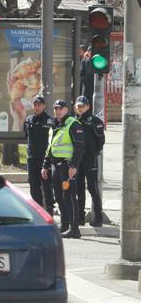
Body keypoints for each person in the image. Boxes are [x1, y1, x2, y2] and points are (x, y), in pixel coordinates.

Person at [42, 99, 86, 239]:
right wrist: (45, 166)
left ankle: (75, 228)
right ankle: (65, 224)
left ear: (67, 109)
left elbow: (80, 148)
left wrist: (74, 166)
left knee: (69, 196)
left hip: (67, 167)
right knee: (59, 197)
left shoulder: (73, 124)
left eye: (60, 108)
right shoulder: (54, 126)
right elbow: (50, 148)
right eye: (55, 108)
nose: (58, 111)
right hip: (55, 166)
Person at [74, 95, 105, 227]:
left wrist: (92, 152)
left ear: (87, 106)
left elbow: (101, 141)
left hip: (90, 159)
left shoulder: (95, 121)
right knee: (79, 189)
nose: (80, 108)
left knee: (92, 188)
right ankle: (80, 217)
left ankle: (98, 217)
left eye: (82, 106)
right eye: (78, 106)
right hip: (77, 160)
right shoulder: (73, 121)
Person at [23, 95, 55, 215]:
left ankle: (49, 211)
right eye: (35, 105)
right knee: (33, 186)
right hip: (32, 158)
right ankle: (38, 211)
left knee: (46, 186)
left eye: (39, 105)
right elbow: (26, 136)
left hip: (44, 158)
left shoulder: (49, 121)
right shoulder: (28, 120)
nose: (36, 107)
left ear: (44, 106)